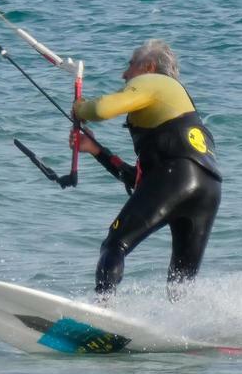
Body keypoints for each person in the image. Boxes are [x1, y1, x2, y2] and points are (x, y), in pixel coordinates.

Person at [70, 39, 222, 300]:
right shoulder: (175, 112)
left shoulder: (155, 82)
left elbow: (101, 109)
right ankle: (183, 330)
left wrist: (79, 108)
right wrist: (96, 150)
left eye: (130, 65)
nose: (124, 74)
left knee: (114, 244)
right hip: (208, 188)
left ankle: (101, 310)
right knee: (180, 283)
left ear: (148, 66)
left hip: (177, 177)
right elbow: (146, 183)